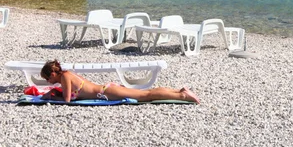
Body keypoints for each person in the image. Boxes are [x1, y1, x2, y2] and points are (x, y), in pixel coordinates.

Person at [39, 59, 200, 104]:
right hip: (106, 90)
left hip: (106, 92)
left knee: (147, 95)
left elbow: (67, 100)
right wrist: (54, 92)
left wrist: (50, 97)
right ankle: (178, 91)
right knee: (145, 93)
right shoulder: (67, 75)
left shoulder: (65, 77)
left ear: (53, 73)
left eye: (48, 78)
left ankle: (183, 96)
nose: (48, 81)